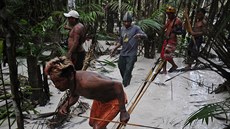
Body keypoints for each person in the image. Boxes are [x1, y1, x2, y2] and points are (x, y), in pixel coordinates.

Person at [44, 56, 130, 129]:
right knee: (92, 123)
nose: (56, 85)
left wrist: (123, 112)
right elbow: (74, 95)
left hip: (115, 100)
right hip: (99, 100)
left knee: (97, 126)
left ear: (69, 76)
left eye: (59, 81)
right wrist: (66, 105)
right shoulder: (72, 82)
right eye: (54, 82)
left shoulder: (87, 82)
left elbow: (117, 85)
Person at [110, 11, 147, 87]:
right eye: (125, 22)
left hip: (132, 54)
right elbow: (121, 42)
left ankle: (125, 85)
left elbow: (145, 36)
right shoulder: (123, 29)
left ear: (131, 22)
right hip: (123, 53)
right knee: (120, 66)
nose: (126, 23)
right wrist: (115, 48)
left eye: (128, 22)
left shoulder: (136, 28)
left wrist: (139, 35)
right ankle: (127, 78)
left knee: (128, 70)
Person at [160, 6, 183, 74]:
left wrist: (174, 31)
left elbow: (181, 32)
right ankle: (164, 70)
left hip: (172, 41)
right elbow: (165, 27)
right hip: (167, 39)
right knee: (162, 55)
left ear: (173, 14)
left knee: (167, 56)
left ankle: (174, 65)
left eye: (169, 14)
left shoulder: (177, 21)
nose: (168, 16)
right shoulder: (169, 20)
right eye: (167, 14)